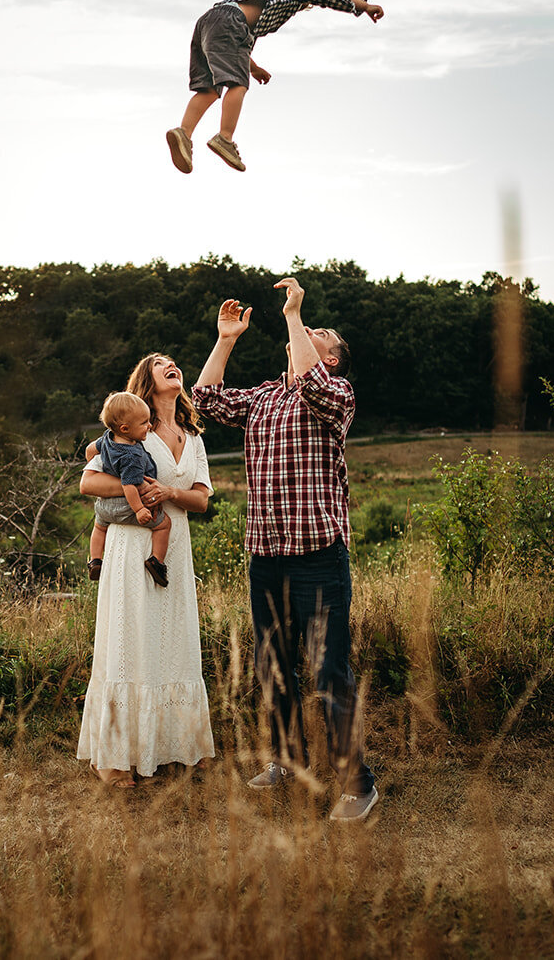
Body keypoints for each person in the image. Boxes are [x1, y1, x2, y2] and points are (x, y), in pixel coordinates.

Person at [190, 277, 379, 822]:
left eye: (323, 334)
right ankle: (286, 760)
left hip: (319, 556)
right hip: (266, 556)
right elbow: (204, 401)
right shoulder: (266, 396)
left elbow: (311, 382)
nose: (310, 332)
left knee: (329, 672)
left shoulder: (334, 397)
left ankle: (356, 785)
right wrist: (226, 340)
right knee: (272, 666)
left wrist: (296, 314)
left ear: (333, 360)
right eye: (308, 329)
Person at [78, 353, 216, 787]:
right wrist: (137, 489)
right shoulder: (129, 433)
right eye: (161, 364)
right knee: (129, 642)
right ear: (147, 380)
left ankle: (171, 746)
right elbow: (88, 484)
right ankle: (116, 758)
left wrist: (169, 490)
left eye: (175, 362)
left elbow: (201, 500)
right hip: (130, 545)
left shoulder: (192, 437)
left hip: (174, 549)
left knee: (171, 644)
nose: (172, 365)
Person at [166, 0, 384, 175]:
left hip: (208, 22)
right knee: (238, 84)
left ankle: (184, 133)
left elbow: (235, 43)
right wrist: (364, 6)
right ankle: (225, 138)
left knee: (209, 89)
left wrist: (254, 67)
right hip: (232, 24)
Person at [85, 391, 172, 588]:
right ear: (125, 428)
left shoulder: (107, 438)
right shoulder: (132, 456)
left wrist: (95, 463)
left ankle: (95, 560)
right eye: (144, 423)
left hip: (104, 507)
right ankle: (157, 561)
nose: (149, 426)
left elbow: (90, 450)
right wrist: (140, 509)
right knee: (164, 525)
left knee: (99, 527)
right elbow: (129, 486)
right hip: (127, 505)